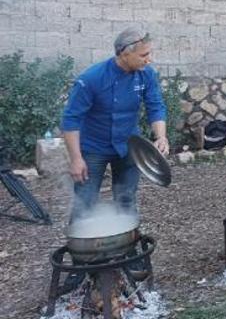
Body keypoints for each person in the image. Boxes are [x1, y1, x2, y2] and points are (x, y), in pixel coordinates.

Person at [62, 27, 168, 222]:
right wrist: (76, 159)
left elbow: (156, 106)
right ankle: (81, 250)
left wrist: (161, 136)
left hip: (129, 146)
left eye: (149, 53)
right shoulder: (91, 78)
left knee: (126, 199)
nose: (149, 59)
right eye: (144, 55)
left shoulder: (146, 74)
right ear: (125, 54)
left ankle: (127, 247)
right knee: (85, 202)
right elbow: (71, 120)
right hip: (93, 148)